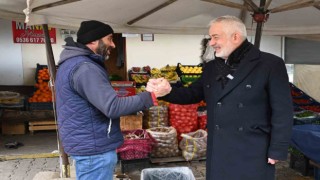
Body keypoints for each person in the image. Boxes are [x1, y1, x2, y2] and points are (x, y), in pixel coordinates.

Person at [147, 15, 293, 180]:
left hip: (253, 149)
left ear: (235, 37)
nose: (211, 43)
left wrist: (277, 149)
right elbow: (192, 94)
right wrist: (167, 91)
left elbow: (283, 111)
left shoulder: (270, 64)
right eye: (210, 38)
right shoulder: (211, 67)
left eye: (215, 37)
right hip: (219, 149)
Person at [55, 20, 157, 180]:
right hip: (94, 149)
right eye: (109, 39)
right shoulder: (85, 68)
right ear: (93, 40)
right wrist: (150, 96)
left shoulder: (73, 63)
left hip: (88, 143)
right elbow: (113, 107)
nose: (113, 44)